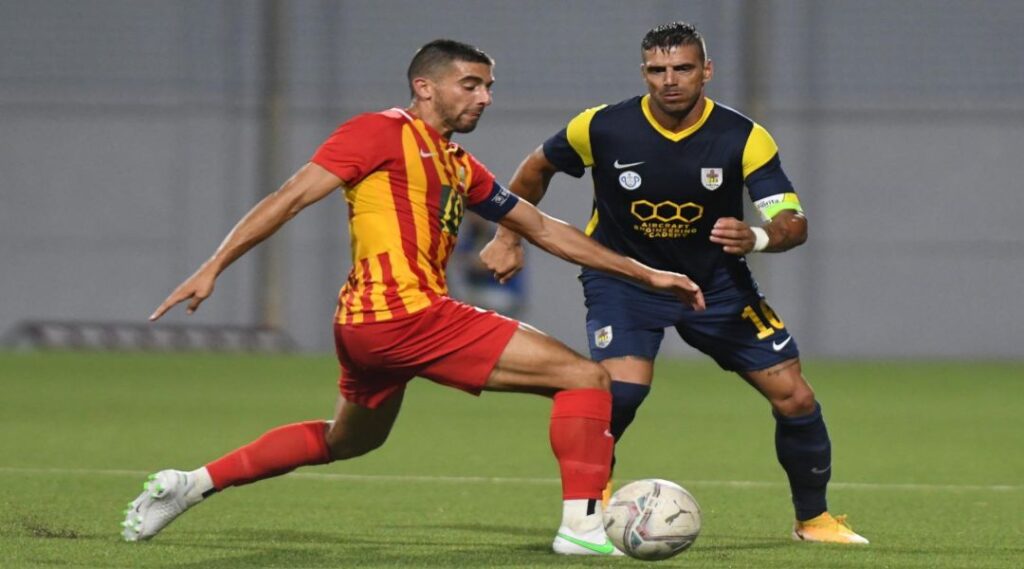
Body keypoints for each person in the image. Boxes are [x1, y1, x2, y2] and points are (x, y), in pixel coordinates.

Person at [120, 39, 705, 556]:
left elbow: (542, 227)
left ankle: (188, 485)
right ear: (425, 87)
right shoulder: (379, 132)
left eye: (488, 87)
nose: (484, 98)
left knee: (348, 440)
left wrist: (644, 274)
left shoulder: (458, 164)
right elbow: (290, 196)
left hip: (366, 327)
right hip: (405, 314)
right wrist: (214, 266)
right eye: (470, 84)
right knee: (585, 378)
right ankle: (581, 528)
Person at [481, 22, 868, 544]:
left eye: (682, 68)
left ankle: (814, 521)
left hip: (716, 286)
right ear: (643, 73)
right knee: (620, 393)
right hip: (624, 280)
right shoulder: (600, 127)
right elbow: (536, 169)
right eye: (657, 70)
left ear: (706, 71)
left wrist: (757, 236)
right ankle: (589, 513)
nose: (670, 80)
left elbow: (792, 223)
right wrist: (508, 237)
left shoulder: (743, 136)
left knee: (795, 397)